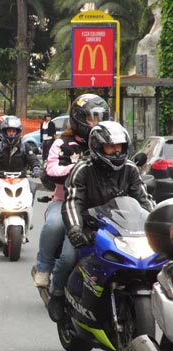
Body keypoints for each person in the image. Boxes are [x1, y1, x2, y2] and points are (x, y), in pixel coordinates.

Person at [47, 121, 155, 322]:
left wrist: (156, 225)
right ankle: (57, 295)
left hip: (122, 229)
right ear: (97, 147)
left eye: (120, 147)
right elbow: (72, 203)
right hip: (90, 228)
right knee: (68, 257)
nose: (116, 152)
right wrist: (75, 230)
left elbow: (144, 200)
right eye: (110, 146)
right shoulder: (82, 169)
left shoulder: (130, 169)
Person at [32, 94, 109, 290]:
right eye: (91, 118)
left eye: (100, 118)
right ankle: (45, 270)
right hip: (65, 202)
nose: (96, 123)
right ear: (78, 119)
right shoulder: (63, 144)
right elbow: (52, 171)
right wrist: (79, 168)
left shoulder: (109, 143)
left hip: (101, 207)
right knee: (55, 227)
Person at [0, 115, 41, 215]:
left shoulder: (25, 147)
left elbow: (34, 160)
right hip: (0, 178)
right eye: (9, 131)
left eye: (13, 131)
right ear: (4, 132)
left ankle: (27, 211)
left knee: (32, 186)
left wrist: (36, 168)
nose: (11, 134)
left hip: (20, 179)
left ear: (18, 132)